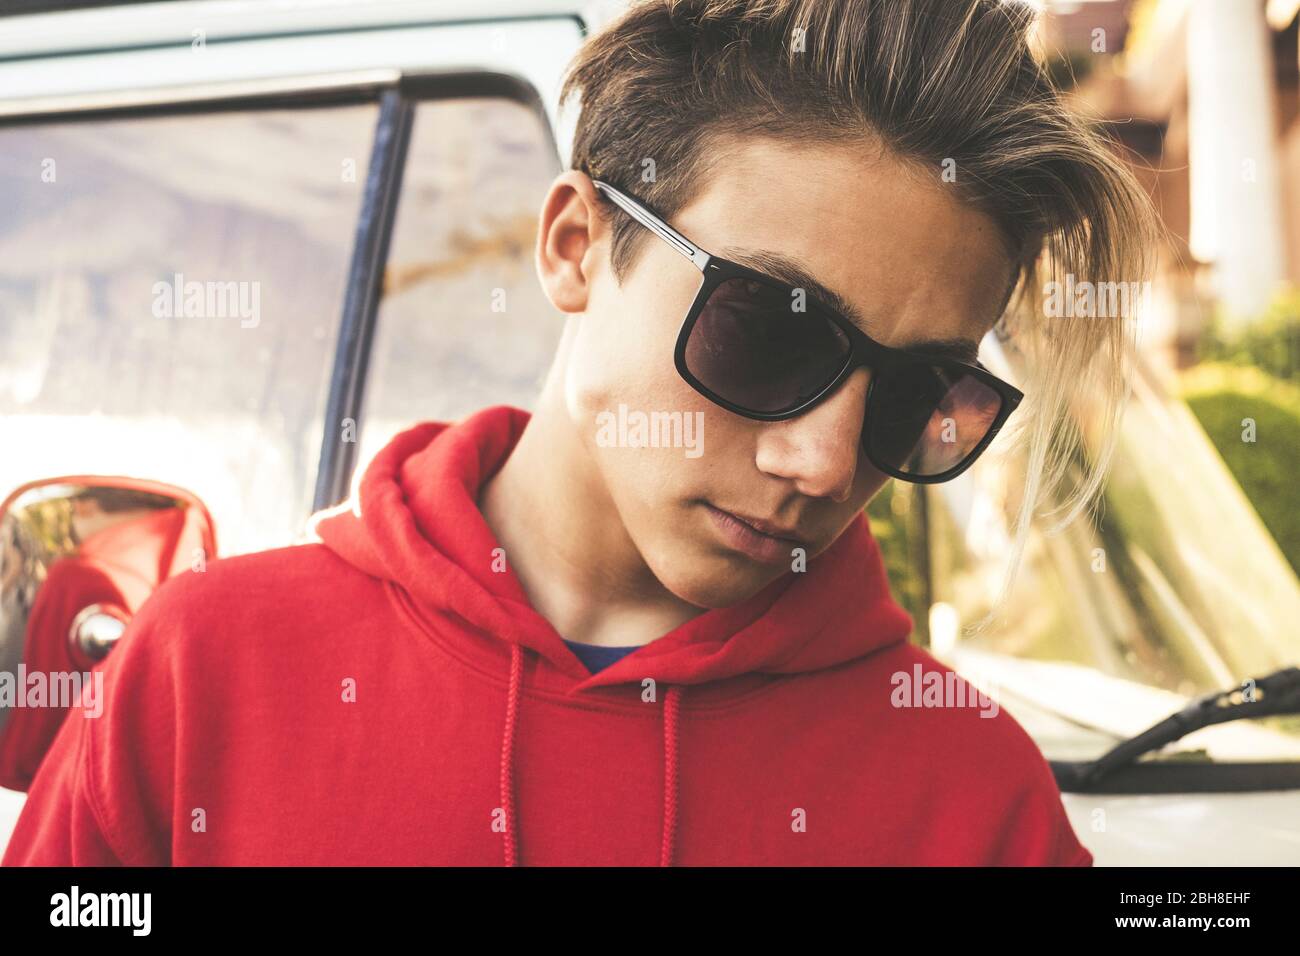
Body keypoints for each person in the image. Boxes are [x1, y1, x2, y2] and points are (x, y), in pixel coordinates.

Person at [3, 0, 1154, 866]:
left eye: (916, 397)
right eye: (770, 332)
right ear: (572, 244)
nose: (824, 461)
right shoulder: (205, 673)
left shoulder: (971, 802)